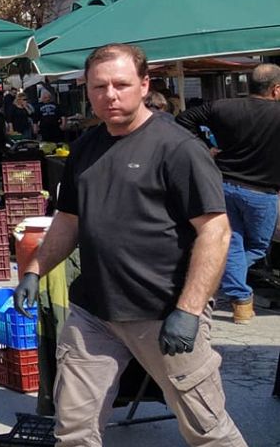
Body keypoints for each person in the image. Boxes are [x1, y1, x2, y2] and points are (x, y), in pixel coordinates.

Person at [14, 44, 244, 447]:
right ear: (87, 90)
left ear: (144, 85)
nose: (110, 95)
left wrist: (189, 310)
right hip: (93, 312)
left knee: (207, 431)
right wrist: (34, 270)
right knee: (73, 431)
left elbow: (215, 231)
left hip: (162, 311)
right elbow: (69, 219)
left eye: (121, 85)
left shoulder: (178, 148)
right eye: (99, 86)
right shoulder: (85, 147)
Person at [177, 63, 280, 325]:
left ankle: (228, 286)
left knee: (231, 242)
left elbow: (183, 119)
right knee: (257, 246)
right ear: (276, 89)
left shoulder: (223, 107)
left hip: (222, 184)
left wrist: (204, 148)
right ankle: (240, 298)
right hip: (262, 191)